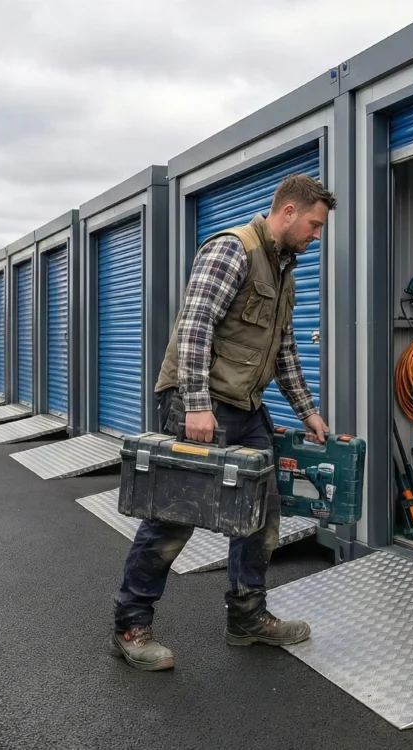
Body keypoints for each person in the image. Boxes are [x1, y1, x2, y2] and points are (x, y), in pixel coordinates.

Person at [108, 174, 336, 671]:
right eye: (315, 225)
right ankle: (131, 624)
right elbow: (194, 328)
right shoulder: (232, 249)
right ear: (289, 211)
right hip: (200, 401)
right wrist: (195, 404)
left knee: (262, 515)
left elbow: (286, 352)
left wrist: (308, 412)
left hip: (246, 406)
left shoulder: (284, 271)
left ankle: (247, 618)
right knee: (172, 517)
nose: (317, 236)